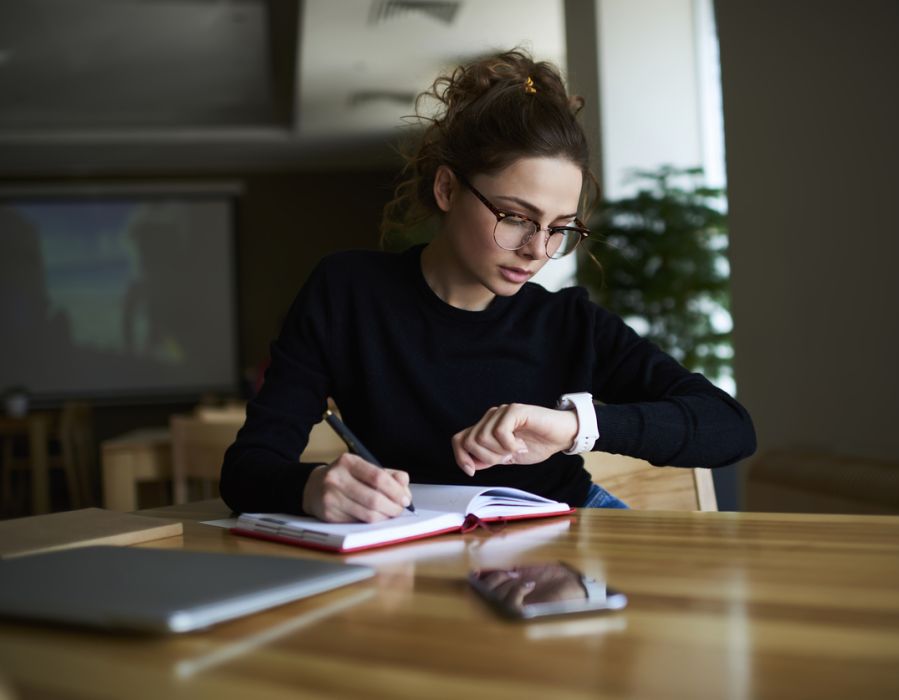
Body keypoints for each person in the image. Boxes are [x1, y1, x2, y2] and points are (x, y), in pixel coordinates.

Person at [220, 49, 756, 523]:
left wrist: (573, 427)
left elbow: (729, 427)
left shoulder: (568, 322)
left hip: (567, 531)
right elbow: (247, 470)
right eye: (517, 217)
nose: (537, 250)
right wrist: (312, 487)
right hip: (419, 540)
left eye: (559, 228)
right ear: (448, 188)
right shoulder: (348, 293)